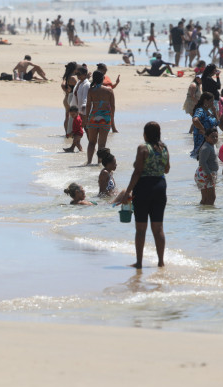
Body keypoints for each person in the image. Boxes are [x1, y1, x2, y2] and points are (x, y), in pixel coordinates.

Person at [112, 122, 169, 268]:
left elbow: (137, 172)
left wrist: (128, 192)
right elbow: (167, 169)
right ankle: (161, 262)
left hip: (143, 187)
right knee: (158, 228)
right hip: (160, 187)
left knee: (141, 228)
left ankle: (139, 262)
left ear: (145, 134)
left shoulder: (143, 148)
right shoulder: (164, 148)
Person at [84, 70, 114, 165]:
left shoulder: (91, 90)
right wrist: (112, 118)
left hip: (93, 117)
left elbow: (88, 105)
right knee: (102, 144)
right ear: (103, 79)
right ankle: (99, 163)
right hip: (105, 118)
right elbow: (112, 106)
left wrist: (86, 117)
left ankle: (89, 162)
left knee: (91, 142)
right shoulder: (109, 90)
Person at [195, 128, 219, 205]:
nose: (215, 138)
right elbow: (202, 162)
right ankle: (209, 216)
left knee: (206, 199)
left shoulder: (211, 145)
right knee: (212, 198)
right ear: (206, 137)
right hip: (206, 174)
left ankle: (203, 213)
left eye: (216, 136)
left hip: (205, 173)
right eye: (212, 137)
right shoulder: (206, 147)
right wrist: (209, 175)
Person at [191, 92, 218, 159]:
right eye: (211, 101)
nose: (213, 103)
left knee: (211, 164)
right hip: (202, 142)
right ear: (205, 101)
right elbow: (195, 120)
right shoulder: (200, 110)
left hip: (211, 141)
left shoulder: (209, 111)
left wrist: (214, 112)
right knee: (204, 164)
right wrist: (204, 130)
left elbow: (217, 123)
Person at [61, 62, 78, 136]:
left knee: (67, 116)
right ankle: (70, 132)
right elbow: (79, 87)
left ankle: (67, 133)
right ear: (74, 68)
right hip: (71, 98)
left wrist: (66, 91)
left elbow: (62, 85)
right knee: (72, 116)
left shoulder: (67, 76)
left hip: (67, 97)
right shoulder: (73, 77)